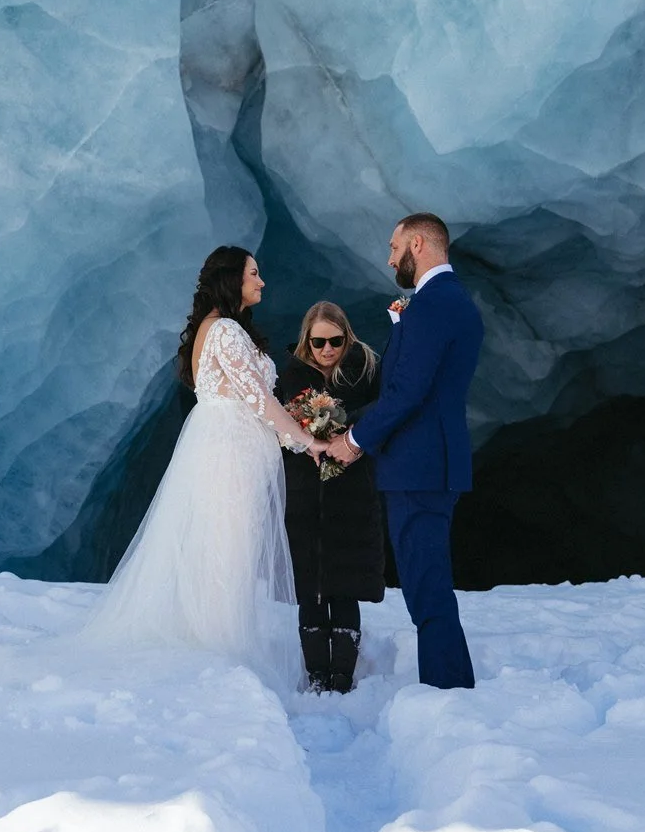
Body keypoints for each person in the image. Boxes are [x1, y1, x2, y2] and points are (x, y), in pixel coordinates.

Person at [80, 246, 324, 688]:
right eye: (254, 273)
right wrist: (305, 439)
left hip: (226, 443)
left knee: (224, 542)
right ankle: (219, 646)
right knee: (228, 544)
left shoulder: (216, 329)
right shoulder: (226, 330)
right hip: (230, 448)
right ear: (232, 279)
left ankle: (216, 639)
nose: (262, 281)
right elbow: (257, 398)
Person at [325, 213, 482, 690]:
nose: (390, 258)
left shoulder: (434, 305)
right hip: (431, 465)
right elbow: (416, 389)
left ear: (418, 244)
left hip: (419, 469)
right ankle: (454, 687)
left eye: (394, 248)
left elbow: (408, 392)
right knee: (427, 585)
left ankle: (446, 694)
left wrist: (353, 441)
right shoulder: (449, 303)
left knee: (426, 588)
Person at [275, 303, 385, 693]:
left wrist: (347, 425)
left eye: (335, 341)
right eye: (318, 342)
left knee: (345, 583)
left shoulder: (365, 369)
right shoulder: (290, 375)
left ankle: (342, 677)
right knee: (310, 585)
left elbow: (386, 408)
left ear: (346, 337)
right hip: (304, 491)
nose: (327, 350)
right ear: (307, 340)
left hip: (351, 489)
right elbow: (276, 424)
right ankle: (316, 675)